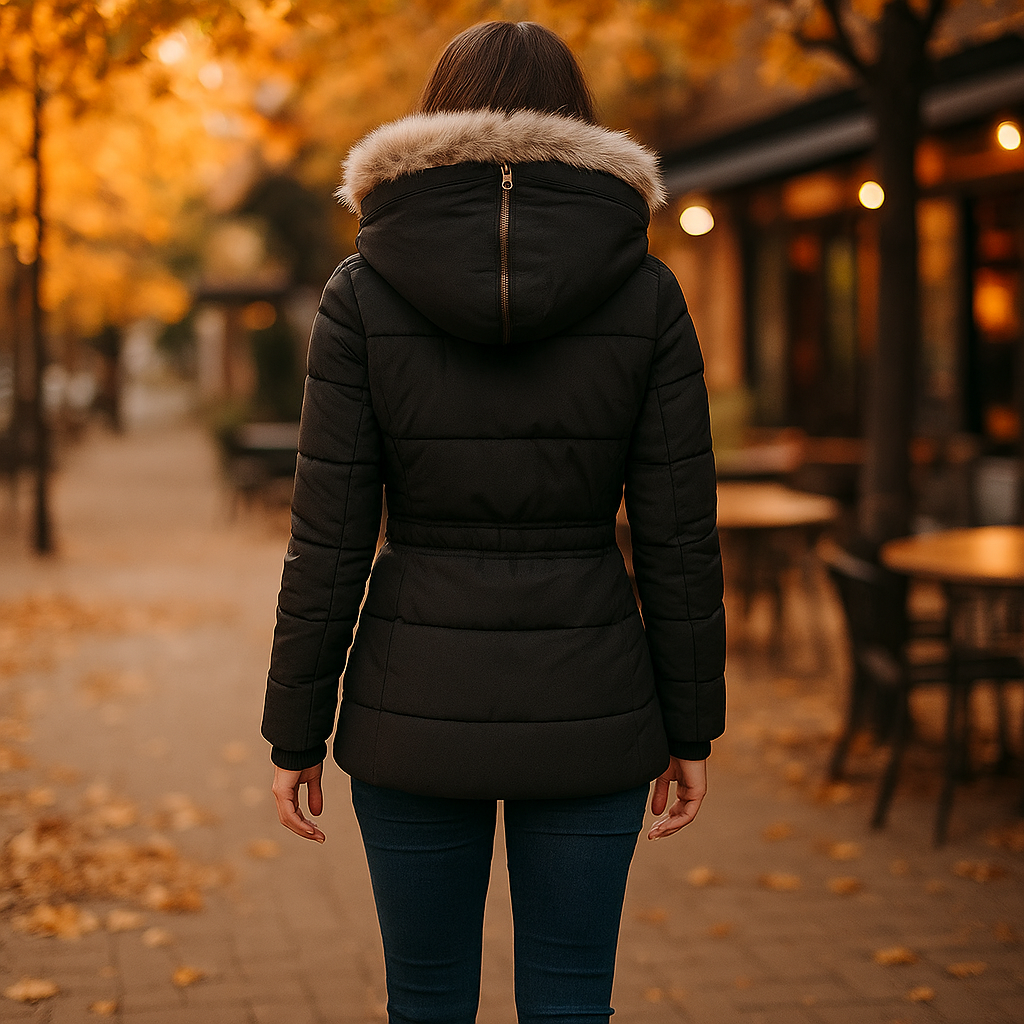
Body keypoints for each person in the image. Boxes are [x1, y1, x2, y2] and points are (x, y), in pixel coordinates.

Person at [262, 20, 725, 1024]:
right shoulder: (647, 293)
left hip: (411, 706)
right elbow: (680, 533)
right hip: (594, 701)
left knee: (426, 1001)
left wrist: (294, 728)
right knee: (571, 1001)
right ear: (578, 125)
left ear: (438, 117)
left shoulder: (361, 291)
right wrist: (691, 724)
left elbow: (328, 534)